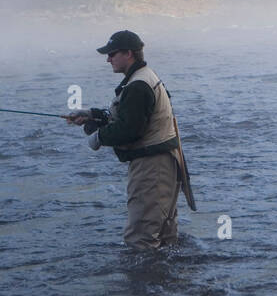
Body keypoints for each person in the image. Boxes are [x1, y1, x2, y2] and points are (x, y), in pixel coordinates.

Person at [65, 30, 192, 250]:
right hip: (164, 163)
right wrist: (94, 115)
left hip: (152, 167)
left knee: (140, 238)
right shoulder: (143, 77)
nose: (108, 59)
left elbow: (131, 130)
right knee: (164, 234)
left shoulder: (137, 85)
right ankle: (167, 280)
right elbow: (132, 117)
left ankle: (143, 282)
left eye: (112, 53)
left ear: (129, 54)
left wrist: (99, 137)